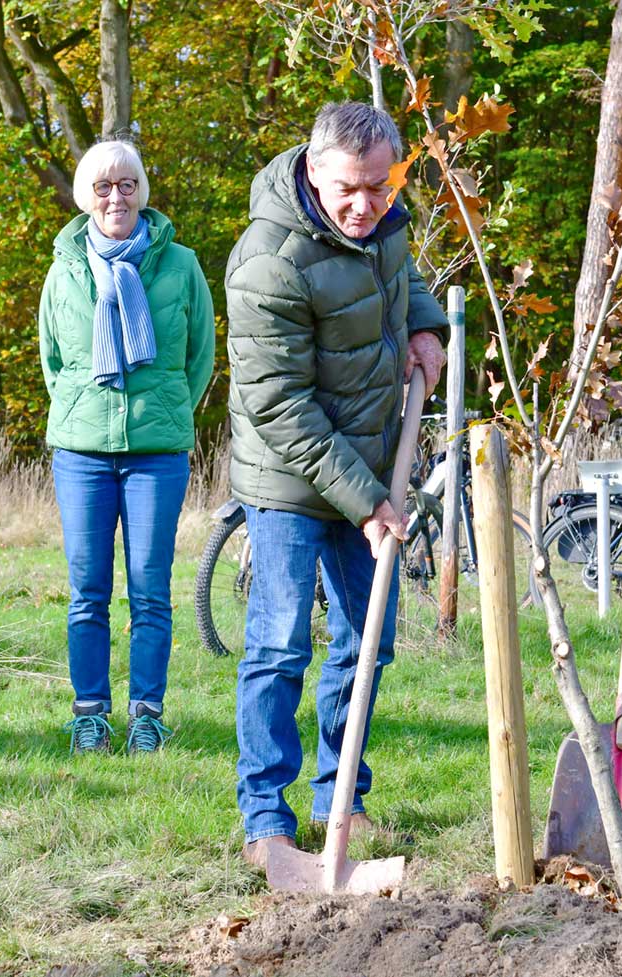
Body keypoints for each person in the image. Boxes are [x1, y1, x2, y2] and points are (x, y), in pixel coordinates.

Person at [224, 102, 447, 869]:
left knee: (368, 639)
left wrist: (427, 325)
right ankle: (265, 819)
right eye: (350, 188)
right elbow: (280, 405)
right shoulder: (268, 260)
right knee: (281, 644)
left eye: (379, 188)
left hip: (369, 467)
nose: (365, 205)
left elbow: (397, 280)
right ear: (314, 170)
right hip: (288, 477)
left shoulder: (386, 221)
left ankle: (340, 795)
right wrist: (370, 500)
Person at [38, 140, 216, 755]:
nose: (117, 196)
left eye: (128, 184)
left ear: (142, 190)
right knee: (87, 590)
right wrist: (82, 413)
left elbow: (200, 356)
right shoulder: (64, 268)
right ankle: (89, 712)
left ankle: (146, 712)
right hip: (81, 452)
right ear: (86, 195)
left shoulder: (181, 265)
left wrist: (162, 409)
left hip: (156, 452)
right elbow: (53, 359)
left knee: (149, 586)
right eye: (103, 186)